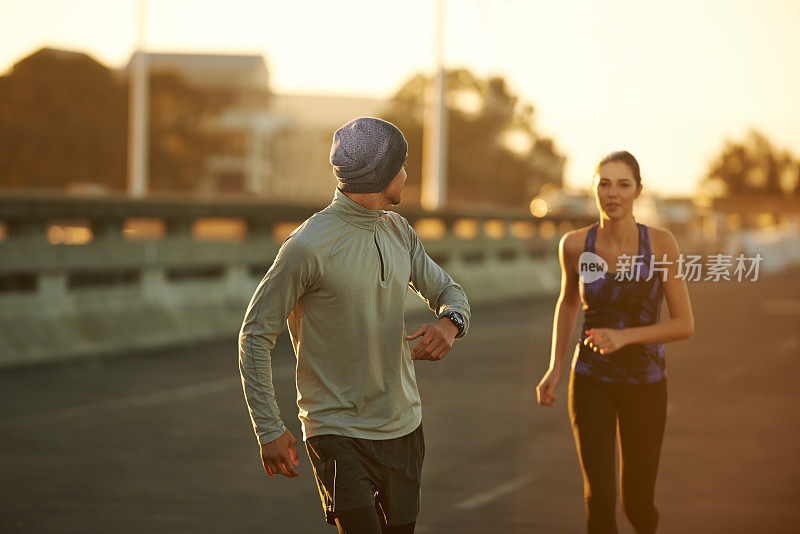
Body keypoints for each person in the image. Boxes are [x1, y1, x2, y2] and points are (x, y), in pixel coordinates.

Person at [238, 117, 470, 534]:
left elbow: (449, 291)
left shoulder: (400, 231)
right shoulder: (308, 245)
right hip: (336, 430)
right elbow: (255, 335)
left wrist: (450, 324)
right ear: (383, 175)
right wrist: (269, 428)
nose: (405, 174)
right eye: (400, 165)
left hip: (404, 426)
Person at [535, 151, 694, 534]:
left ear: (638, 190)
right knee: (600, 499)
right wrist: (556, 366)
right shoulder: (575, 245)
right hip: (590, 380)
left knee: (637, 505)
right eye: (604, 183)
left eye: (623, 184)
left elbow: (684, 324)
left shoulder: (660, 245)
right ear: (594, 188)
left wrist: (625, 337)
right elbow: (569, 302)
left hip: (646, 384)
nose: (613, 193)